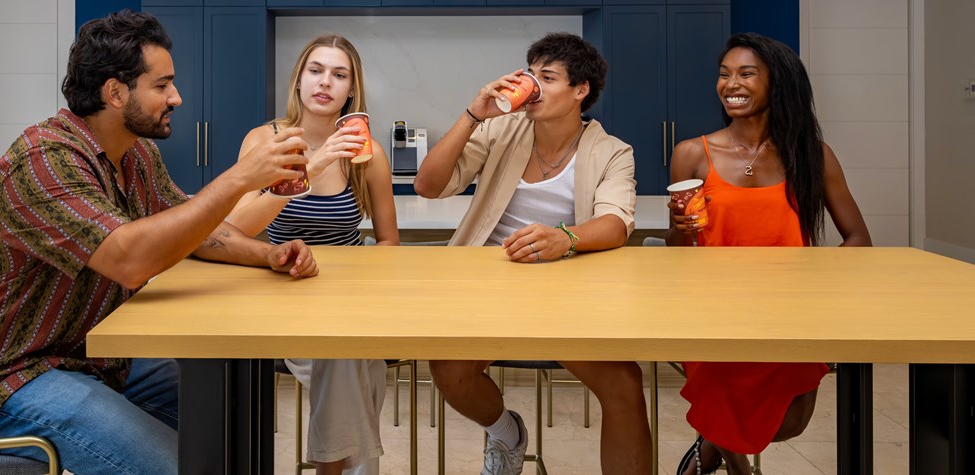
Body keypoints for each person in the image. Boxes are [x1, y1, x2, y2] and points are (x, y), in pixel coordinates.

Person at [0, 10, 318, 474]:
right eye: (162, 85)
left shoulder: (137, 154)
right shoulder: (43, 160)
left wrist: (268, 254)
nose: (177, 97)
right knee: (174, 466)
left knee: (232, 414)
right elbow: (130, 259)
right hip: (10, 376)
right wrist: (241, 178)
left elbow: (187, 223)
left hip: (94, 358)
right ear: (115, 92)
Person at [414, 32, 651, 475]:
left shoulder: (611, 152)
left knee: (624, 382)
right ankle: (506, 433)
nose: (534, 86)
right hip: (485, 285)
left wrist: (567, 237)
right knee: (448, 369)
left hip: (564, 296)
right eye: (530, 75)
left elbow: (616, 223)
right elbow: (429, 186)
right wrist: (473, 115)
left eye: (548, 77)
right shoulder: (502, 129)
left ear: (581, 90)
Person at [666, 32, 871, 475]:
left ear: (777, 83)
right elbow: (678, 254)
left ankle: (708, 448)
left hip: (790, 311)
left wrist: (812, 280)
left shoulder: (812, 156)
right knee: (723, 403)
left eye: (745, 74)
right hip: (712, 312)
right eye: (723, 74)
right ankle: (738, 468)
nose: (730, 84)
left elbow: (857, 237)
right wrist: (680, 230)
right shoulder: (691, 154)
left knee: (792, 423)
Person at [226, 34, 398, 475]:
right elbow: (232, 227)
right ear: (299, 79)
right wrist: (312, 166)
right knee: (352, 358)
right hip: (284, 289)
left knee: (349, 352)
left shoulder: (368, 153)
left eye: (339, 75)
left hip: (349, 295)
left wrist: (366, 288)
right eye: (316, 70)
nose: (326, 82)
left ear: (351, 90)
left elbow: (388, 243)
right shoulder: (266, 140)